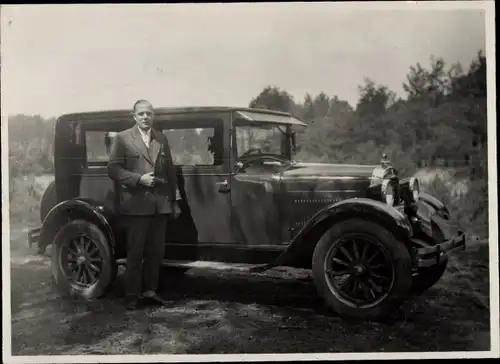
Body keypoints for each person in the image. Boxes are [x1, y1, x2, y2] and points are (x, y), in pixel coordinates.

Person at [108, 99, 181, 310]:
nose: (145, 117)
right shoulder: (123, 138)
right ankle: (132, 295)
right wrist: (138, 179)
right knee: (135, 253)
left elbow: (170, 173)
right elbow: (113, 169)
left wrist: (175, 201)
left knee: (156, 252)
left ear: (153, 116)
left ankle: (150, 291)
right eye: (141, 114)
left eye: (149, 113)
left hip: (160, 206)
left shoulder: (161, 138)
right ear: (134, 116)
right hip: (137, 206)